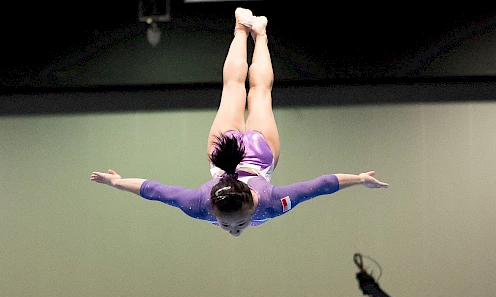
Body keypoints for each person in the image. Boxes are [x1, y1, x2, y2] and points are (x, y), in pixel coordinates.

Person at [90, 8, 388, 237]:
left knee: (255, 91)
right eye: (236, 224)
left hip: (257, 154)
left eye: (231, 224)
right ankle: (244, 29)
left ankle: (256, 32)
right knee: (239, 88)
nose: (235, 230)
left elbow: (153, 190)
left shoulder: (270, 203)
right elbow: (154, 190)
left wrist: (118, 182)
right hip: (227, 152)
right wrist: (358, 179)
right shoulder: (202, 203)